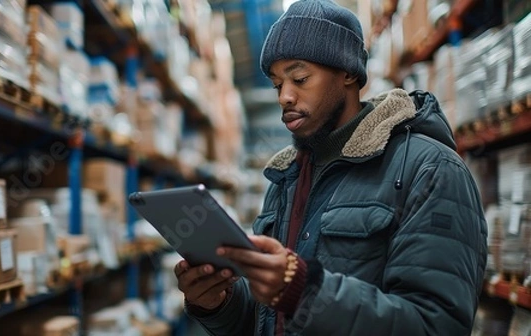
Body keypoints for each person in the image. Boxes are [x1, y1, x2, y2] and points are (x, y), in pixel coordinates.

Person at [175, 0, 488, 334]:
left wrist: (303, 291)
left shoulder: (428, 171)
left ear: (349, 73)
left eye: (300, 78)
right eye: (277, 84)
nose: (284, 97)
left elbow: (437, 326)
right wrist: (219, 301)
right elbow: (266, 319)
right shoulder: (286, 179)